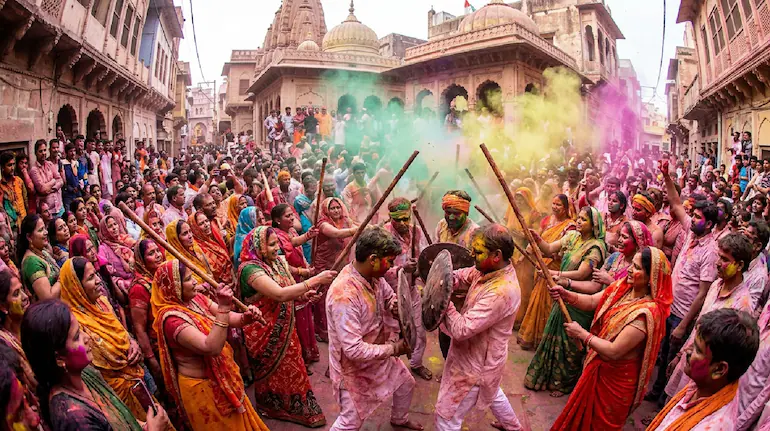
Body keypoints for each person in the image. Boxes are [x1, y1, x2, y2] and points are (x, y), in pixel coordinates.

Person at [550, 247, 672, 430]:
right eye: (632, 264)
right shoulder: (623, 287)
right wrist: (567, 295)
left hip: (616, 383)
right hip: (598, 368)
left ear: (651, 278)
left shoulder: (647, 313)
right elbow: (592, 301)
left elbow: (614, 351)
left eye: (637, 267)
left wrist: (582, 334)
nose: (630, 269)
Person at [151, 260, 268, 431]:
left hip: (223, 379)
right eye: (188, 279)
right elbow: (211, 347)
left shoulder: (195, 298)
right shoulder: (171, 320)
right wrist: (224, 306)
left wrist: (246, 317)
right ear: (174, 286)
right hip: (203, 391)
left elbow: (230, 318)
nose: (194, 283)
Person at [326, 226, 423, 431]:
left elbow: (389, 296)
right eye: (389, 261)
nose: (391, 267)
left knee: (406, 384)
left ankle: (399, 419)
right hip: (353, 369)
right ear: (372, 259)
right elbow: (353, 350)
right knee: (350, 421)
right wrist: (395, 349)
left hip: (377, 355)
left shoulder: (374, 278)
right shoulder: (344, 294)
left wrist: (395, 305)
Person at [21, 299, 170, 431]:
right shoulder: (74, 418)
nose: (86, 338)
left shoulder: (85, 374)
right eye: (77, 337)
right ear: (59, 358)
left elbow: (119, 418)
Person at [237, 225, 332, 427]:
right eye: (271, 245)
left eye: (277, 244)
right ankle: (271, 405)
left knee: (293, 366)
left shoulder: (277, 261)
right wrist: (314, 280)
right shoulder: (249, 270)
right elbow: (279, 294)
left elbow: (287, 288)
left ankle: (296, 406)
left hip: (286, 329)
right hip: (264, 331)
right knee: (271, 372)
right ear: (259, 246)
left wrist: (305, 295)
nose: (276, 249)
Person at [433, 224, 524, 431]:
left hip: (476, 366)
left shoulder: (501, 291)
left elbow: (461, 330)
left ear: (496, 255)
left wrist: (443, 301)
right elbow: (464, 275)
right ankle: (514, 428)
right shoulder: (487, 270)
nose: (472, 255)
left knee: (446, 417)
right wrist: (447, 280)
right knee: (492, 392)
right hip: (483, 357)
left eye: (478, 251)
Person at [648, 164, 721, 405]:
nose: (693, 219)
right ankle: (655, 392)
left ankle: (663, 406)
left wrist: (684, 326)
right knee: (661, 354)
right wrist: (668, 176)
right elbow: (676, 203)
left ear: (709, 224)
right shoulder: (692, 232)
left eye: (699, 217)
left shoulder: (711, 251)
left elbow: (702, 294)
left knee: (672, 361)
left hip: (682, 317)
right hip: (669, 305)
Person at [58, 257, 154, 421]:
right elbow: (103, 361)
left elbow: (122, 332)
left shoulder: (101, 303)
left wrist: (133, 344)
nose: (97, 281)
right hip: (118, 397)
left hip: (138, 380)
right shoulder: (75, 325)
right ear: (77, 287)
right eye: (90, 278)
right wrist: (125, 356)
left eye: (95, 274)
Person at [524, 207, 607, 396]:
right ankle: (548, 377)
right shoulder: (572, 237)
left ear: (594, 225)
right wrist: (538, 239)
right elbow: (549, 248)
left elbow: (582, 274)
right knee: (554, 334)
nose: (578, 222)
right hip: (560, 292)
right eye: (578, 218)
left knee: (569, 342)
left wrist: (555, 274)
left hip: (579, 298)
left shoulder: (596, 247)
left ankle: (565, 383)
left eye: (583, 220)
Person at [665, 233, 757, 397]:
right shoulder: (715, 285)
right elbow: (698, 327)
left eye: (724, 259)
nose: (718, 263)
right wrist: (682, 354)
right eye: (718, 257)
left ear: (740, 265)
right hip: (691, 358)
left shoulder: (742, 306)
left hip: (705, 375)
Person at [646, 308, 759, 430]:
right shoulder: (701, 388)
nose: (687, 351)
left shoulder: (712, 426)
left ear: (719, 369)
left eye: (697, 349)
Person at [381, 197, 432, 380]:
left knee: (418, 331)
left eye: (406, 219)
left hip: (411, 289)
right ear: (390, 217)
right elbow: (379, 270)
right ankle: (387, 370)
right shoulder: (383, 236)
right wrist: (401, 269)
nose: (403, 223)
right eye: (398, 220)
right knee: (391, 335)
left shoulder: (416, 232)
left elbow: (423, 256)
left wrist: (419, 269)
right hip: (389, 293)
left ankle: (416, 363)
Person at [517, 195, 576, 350]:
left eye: (559, 205)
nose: (555, 207)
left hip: (555, 269)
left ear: (566, 208)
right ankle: (533, 339)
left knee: (548, 304)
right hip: (542, 266)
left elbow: (561, 253)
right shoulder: (548, 221)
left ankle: (545, 342)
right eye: (554, 203)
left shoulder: (570, 228)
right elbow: (542, 241)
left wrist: (543, 253)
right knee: (537, 300)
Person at [270, 203, 320, 365]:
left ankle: (309, 353)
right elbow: (281, 264)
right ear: (277, 220)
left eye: (292, 215)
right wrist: (303, 272)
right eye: (287, 216)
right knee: (297, 320)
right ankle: (300, 359)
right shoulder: (275, 238)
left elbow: (293, 242)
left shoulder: (289, 230)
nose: (292, 218)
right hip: (289, 282)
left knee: (305, 315)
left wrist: (308, 236)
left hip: (300, 279)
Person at [313, 197, 357, 341]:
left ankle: (340, 326)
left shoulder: (345, 220)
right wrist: (357, 230)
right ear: (327, 211)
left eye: (338, 207)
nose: (336, 210)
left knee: (340, 295)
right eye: (332, 208)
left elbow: (357, 225)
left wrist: (370, 226)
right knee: (323, 297)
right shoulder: (323, 223)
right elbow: (337, 233)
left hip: (341, 264)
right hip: (325, 265)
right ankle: (323, 331)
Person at [128, 239, 164, 382]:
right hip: (158, 348)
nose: (158, 255)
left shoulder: (159, 276)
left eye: (157, 250)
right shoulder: (139, 288)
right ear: (142, 261)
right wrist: (151, 360)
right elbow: (139, 328)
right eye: (151, 253)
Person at [0, 268, 36, 397]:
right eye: (16, 294)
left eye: (22, 290)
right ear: (3, 307)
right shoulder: (4, 347)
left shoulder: (33, 324)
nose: (25, 297)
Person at [18, 214, 60, 300]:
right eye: (41, 230)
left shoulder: (43, 252)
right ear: (29, 237)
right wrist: (63, 277)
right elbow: (48, 298)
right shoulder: (31, 263)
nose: (46, 232)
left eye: (45, 228)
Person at [189, 211, 234, 287]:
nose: (206, 225)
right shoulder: (197, 250)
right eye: (201, 224)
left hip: (232, 282)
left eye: (206, 221)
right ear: (194, 228)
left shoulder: (213, 240)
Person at [97, 215, 135, 295]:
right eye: (110, 226)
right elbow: (106, 270)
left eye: (115, 224)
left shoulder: (125, 239)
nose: (114, 228)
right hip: (122, 282)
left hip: (135, 275)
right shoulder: (103, 248)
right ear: (105, 230)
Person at [29, 140, 63, 216]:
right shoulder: (34, 170)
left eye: (44, 150)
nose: (43, 153)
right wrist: (54, 181)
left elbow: (61, 181)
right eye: (40, 151)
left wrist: (52, 188)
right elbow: (42, 189)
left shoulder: (50, 164)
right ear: (36, 153)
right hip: (47, 211)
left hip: (59, 206)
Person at [0, 151, 27, 232]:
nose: (12, 168)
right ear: (3, 167)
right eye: (9, 165)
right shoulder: (1, 187)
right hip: (12, 228)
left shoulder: (19, 181)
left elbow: (26, 202)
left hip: (24, 223)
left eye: (13, 164)